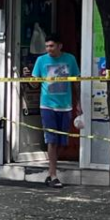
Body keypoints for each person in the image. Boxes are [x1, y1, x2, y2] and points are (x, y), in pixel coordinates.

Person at [32, 35, 80, 189]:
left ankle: (50, 172)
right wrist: (29, 79)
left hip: (65, 106)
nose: (49, 49)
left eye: (51, 46)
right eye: (47, 46)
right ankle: (53, 175)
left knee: (61, 141)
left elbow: (76, 82)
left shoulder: (70, 59)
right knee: (51, 140)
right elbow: (34, 85)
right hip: (47, 105)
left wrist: (78, 102)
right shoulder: (41, 61)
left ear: (60, 46)